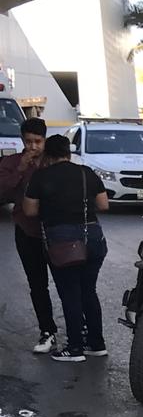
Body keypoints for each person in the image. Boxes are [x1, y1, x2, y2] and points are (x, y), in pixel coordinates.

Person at [22, 134, 109, 363]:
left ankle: (75, 348)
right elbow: (103, 204)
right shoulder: (86, 172)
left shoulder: (41, 176)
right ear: (68, 153)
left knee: (70, 293)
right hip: (93, 237)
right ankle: (96, 344)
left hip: (63, 242)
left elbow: (29, 211)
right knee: (88, 291)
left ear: (48, 155)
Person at [0, 118, 59, 351]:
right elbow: (2, 190)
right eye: (28, 142)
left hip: (56, 232)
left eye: (38, 141)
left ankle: (80, 329)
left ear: (45, 140)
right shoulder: (12, 162)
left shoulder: (53, 162)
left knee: (67, 283)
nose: (33, 147)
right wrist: (20, 170)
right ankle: (47, 331)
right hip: (27, 231)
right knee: (37, 284)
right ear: (22, 141)